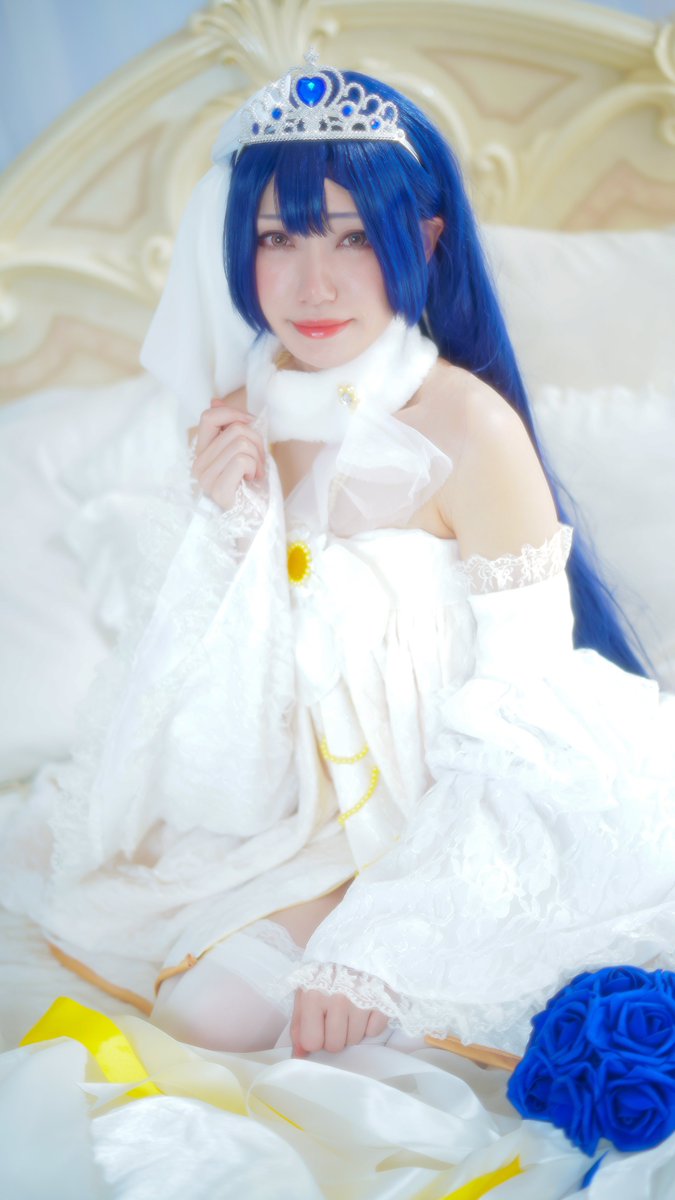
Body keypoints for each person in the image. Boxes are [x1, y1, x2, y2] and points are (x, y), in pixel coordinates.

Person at [1, 52, 674, 1066]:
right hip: (296, 822)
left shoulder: (471, 430)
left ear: (424, 240)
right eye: (279, 237)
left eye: (355, 237)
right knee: (199, 1020)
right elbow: (212, 728)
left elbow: (525, 722)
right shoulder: (240, 418)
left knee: (266, 1022)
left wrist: (384, 942)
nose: (313, 283)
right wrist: (230, 536)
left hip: (455, 815)